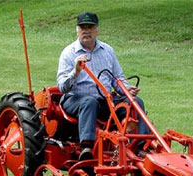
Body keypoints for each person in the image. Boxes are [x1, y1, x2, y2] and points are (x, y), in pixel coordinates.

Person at [57, 12, 149, 160]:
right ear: (77, 30)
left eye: (90, 27)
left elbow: (117, 78)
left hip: (105, 100)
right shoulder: (68, 53)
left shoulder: (107, 51)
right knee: (89, 101)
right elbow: (62, 87)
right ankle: (86, 147)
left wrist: (127, 89)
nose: (86, 31)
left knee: (136, 102)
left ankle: (141, 146)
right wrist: (75, 71)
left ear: (97, 30)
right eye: (82, 28)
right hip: (75, 99)